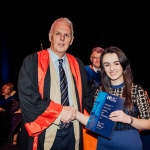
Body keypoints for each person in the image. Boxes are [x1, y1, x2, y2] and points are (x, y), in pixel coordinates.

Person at [17, 17, 95, 150]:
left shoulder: (77, 64)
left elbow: (88, 96)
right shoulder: (33, 62)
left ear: (71, 40)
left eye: (67, 35)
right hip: (46, 132)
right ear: (50, 36)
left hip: (73, 130)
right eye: (58, 33)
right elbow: (28, 98)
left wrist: (110, 106)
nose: (62, 38)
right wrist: (59, 112)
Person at [73, 46, 150, 150]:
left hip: (130, 145)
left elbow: (148, 123)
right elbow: (94, 122)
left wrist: (128, 119)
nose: (112, 68)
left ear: (123, 64)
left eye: (116, 63)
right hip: (103, 146)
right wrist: (75, 114)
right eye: (107, 65)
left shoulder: (136, 90)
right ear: (103, 68)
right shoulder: (100, 91)